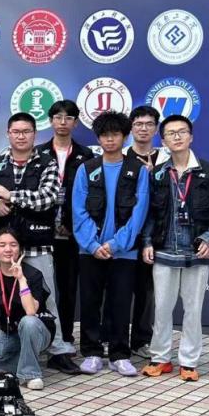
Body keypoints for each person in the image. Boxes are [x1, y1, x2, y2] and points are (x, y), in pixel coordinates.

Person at [0, 113, 79, 373]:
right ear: (8, 134)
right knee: (2, 297)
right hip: (5, 248)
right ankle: (13, 343)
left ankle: (57, 350)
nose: (21, 136)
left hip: (37, 244)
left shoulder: (47, 163)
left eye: (26, 131)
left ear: (35, 134)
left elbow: (48, 197)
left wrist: (11, 196)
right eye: (16, 131)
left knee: (47, 299)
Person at [142, 115, 209, 382]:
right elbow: (150, 213)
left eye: (182, 132)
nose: (177, 137)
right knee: (161, 308)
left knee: (193, 310)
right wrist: (147, 242)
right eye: (171, 133)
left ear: (191, 137)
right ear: (164, 140)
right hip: (164, 249)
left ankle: (189, 362)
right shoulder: (158, 172)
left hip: (196, 251)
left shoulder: (208, 170)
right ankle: (160, 358)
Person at [72, 111, 150, 376]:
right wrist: (93, 245)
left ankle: (120, 354)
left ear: (124, 136)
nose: (109, 139)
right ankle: (91, 352)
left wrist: (116, 244)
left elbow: (139, 212)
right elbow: (78, 210)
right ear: (98, 138)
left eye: (115, 134)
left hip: (124, 252)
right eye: (104, 135)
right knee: (90, 302)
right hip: (89, 251)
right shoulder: (87, 169)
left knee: (120, 303)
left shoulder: (138, 170)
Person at [36, 100, 92, 349]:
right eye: (58, 117)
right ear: (50, 121)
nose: (62, 122)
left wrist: (72, 223)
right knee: (41, 287)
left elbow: (90, 196)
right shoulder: (38, 153)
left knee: (68, 288)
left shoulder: (85, 155)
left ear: (76, 123)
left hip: (72, 233)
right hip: (42, 231)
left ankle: (66, 337)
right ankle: (44, 338)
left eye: (68, 117)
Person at [0, 230, 55, 390]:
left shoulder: (33, 274)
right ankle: (20, 363)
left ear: (20, 249)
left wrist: (21, 279)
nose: (8, 249)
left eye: (13, 245)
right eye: (2, 245)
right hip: (9, 330)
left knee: (28, 322)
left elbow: (31, 311)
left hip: (37, 330)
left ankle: (31, 374)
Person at [126, 105, 161, 359]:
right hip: (124, 234)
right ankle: (112, 338)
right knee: (116, 288)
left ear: (156, 129)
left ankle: (141, 340)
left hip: (154, 237)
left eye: (149, 124)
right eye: (138, 124)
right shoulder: (120, 156)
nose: (143, 128)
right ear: (131, 128)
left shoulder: (166, 160)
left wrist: (152, 177)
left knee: (146, 291)